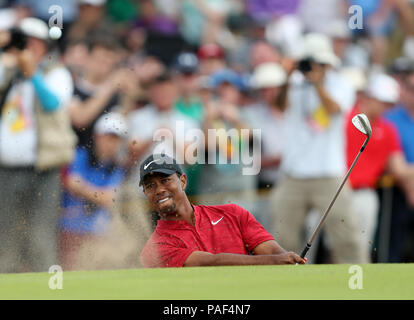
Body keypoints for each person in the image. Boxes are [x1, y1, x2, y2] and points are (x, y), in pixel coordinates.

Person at [269, 33, 368, 263]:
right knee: (282, 236)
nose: (313, 68)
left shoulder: (341, 84)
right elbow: (278, 106)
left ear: (327, 64)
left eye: (318, 64)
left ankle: (360, 283)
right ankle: (282, 287)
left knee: (346, 235)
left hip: (328, 173)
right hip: (293, 173)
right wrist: (287, 76)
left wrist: (317, 84)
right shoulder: (292, 84)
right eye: (308, 63)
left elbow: (334, 109)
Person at [139, 154, 307, 268]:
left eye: (165, 180)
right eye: (150, 186)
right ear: (145, 193)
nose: (159, 189)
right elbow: (212, 262)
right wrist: (276, 261)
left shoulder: (233, 213)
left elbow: (272, 251)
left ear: (182, 181)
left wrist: (287, 260)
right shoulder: (155, 249)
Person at [0, 17, 75, 272]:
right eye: (22, 42)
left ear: (44, 47)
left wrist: (32, 74)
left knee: (40, 235)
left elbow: (54, 104)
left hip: (43, 169)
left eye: (33, 43)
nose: (27, 48)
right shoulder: (7, 71)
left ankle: (47, 289)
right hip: (6, 170)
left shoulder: (57, 74)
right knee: (6, 237)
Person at [346, 73, 414, 260]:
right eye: (384, 102)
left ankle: (353, 286)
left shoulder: (387, 128)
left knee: (359, 247)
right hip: (333, 191)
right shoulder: (345, 117)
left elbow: (399, 168)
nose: (388, 108)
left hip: (364, 193)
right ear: (370, 97)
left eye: (390, 104)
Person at [59, 112, 129, 270]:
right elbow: (71, 184)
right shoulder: (79, 155)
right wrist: (97, 194)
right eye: (107, 137)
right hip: (68, 229)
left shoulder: (116, 167)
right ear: (97, 136)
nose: (111, 143)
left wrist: (83, 188)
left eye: (115, 139)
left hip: (97, 232)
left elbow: (108, 199)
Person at [385, 65, 414, 262]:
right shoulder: (390, 120)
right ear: (402, 91)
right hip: (395, 190)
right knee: (392, 247)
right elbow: (392, 165)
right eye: (411, 89)